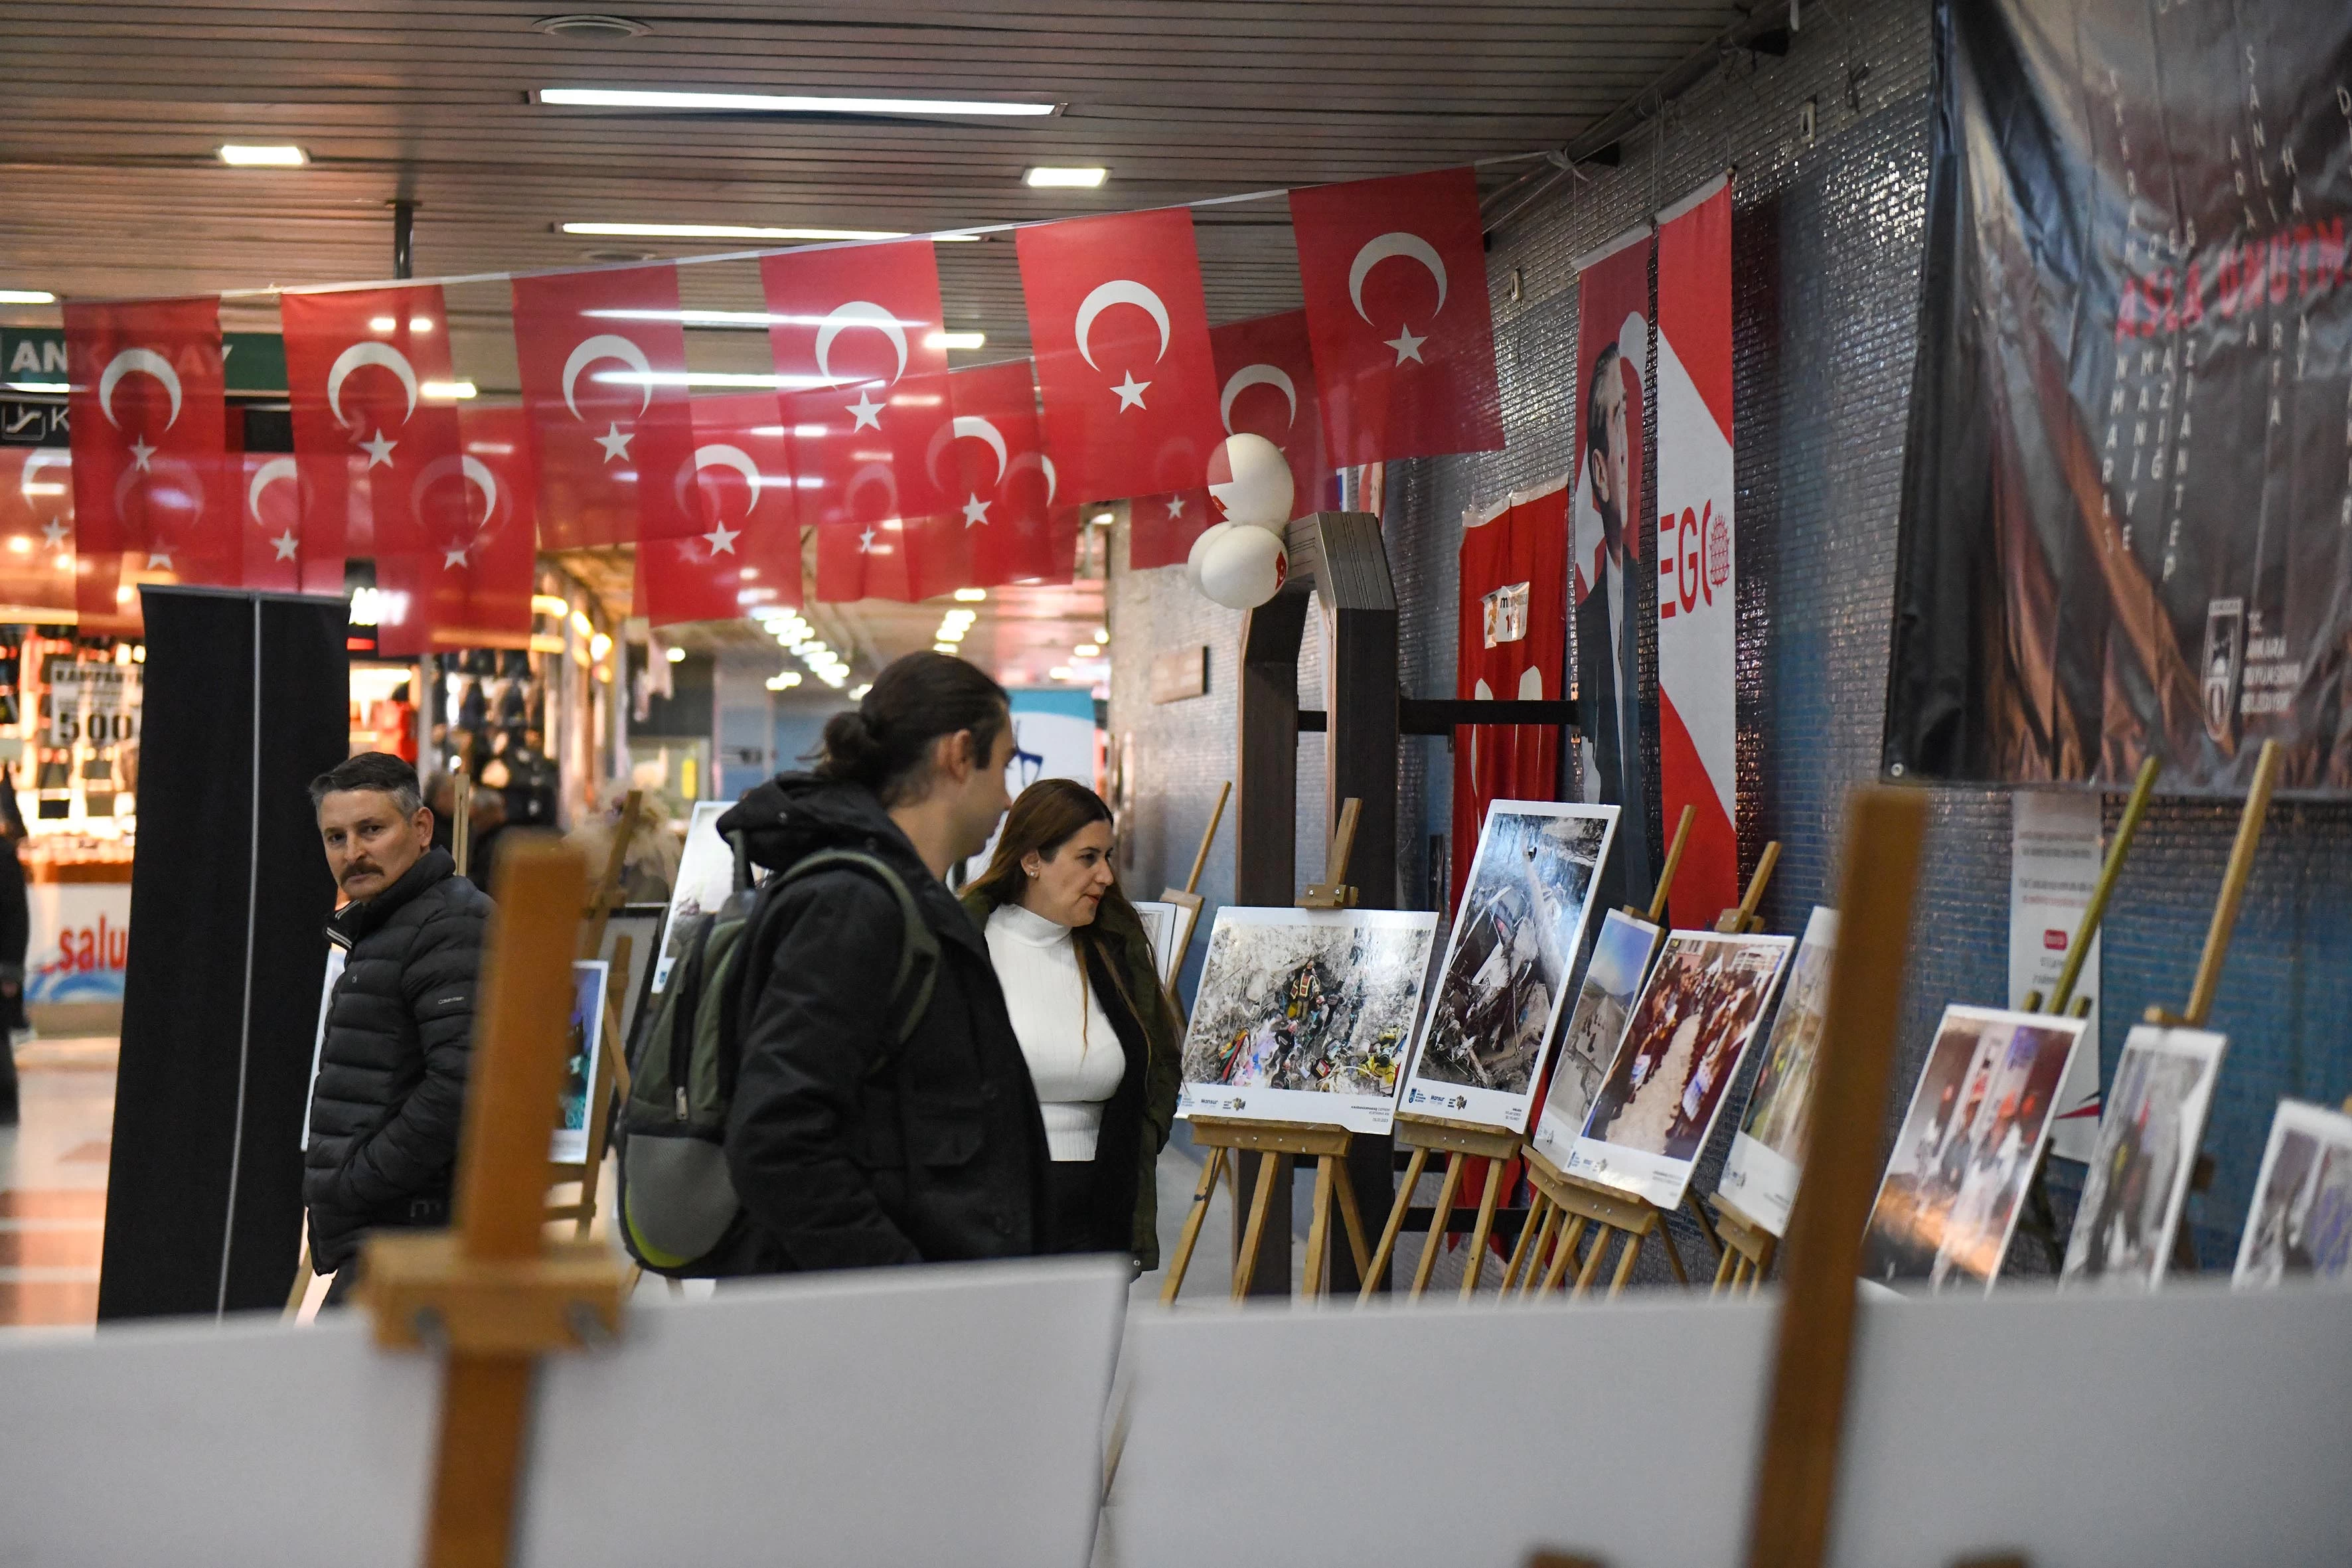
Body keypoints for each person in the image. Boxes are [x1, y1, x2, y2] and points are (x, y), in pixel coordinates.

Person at [720, 652, 1047, 1273]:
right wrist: (897, 1288)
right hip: (864, 1335)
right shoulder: (853, 906)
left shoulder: (903, 900)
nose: (1008, 798)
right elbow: (776, 1140)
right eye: (1003, 765)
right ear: (956, 755)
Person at [960, 780, 1182, 1268]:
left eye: (1108, 857)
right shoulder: (963, 947)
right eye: (1087, 858)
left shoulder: (1116, 952)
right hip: (990, 1209)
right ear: (1032, 859)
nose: (1105, 875)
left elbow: (1160, 1067)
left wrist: (1138, 1152)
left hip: (1098, 1209)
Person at [304, 752, 492, 1304]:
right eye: (335, 838)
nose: (353, 853)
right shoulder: (384, 926)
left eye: (371, 830)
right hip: (389, 1234)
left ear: (420, 827)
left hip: (420, 1236)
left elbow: (462, 1085)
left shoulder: (450, 923)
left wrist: (355, 1179)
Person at [1575, 338, 1654, 906]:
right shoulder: (1588, 618)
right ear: (1599, 472)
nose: (1637, 442)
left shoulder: (1664, 603)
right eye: (1624, 419)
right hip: (1614, 883)